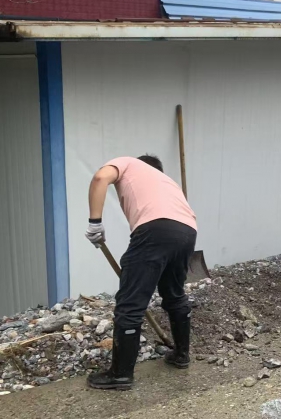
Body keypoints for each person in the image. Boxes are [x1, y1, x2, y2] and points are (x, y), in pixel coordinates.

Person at [84, 155, 197, 390]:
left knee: (130, 303)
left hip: (155, 229)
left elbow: (100, 178)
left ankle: (121, 375)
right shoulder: (167, 182)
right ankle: (181, 355)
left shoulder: (128, 163)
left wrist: (95, 222)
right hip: (187, 231)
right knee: (174, 294)